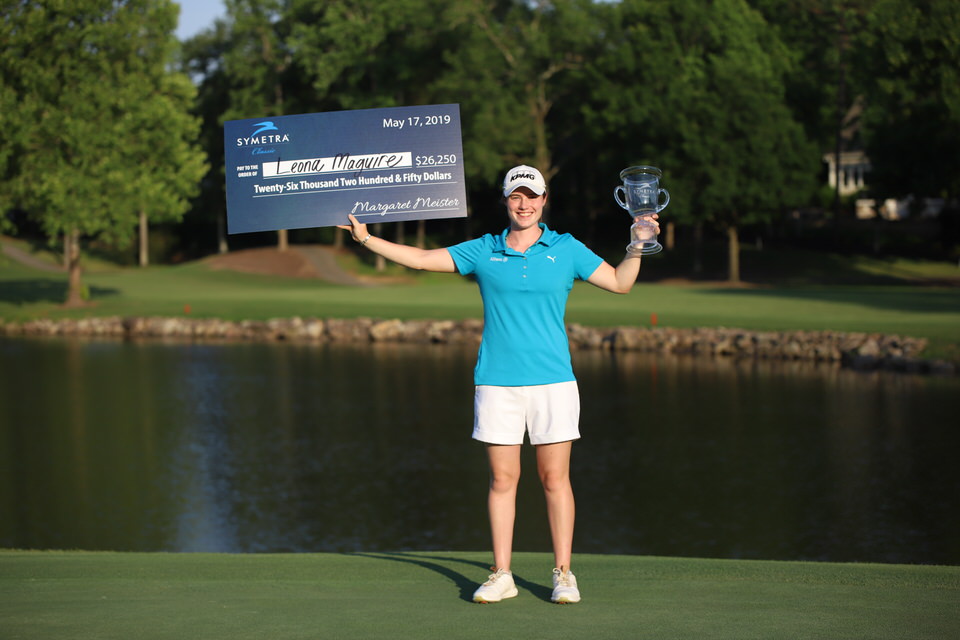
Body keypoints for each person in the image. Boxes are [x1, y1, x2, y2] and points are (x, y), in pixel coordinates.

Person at [338, 165, 657, 604]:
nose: (523, 204)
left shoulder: (566, 249)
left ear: (544, 201)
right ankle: (502, 574)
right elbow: (422, 258)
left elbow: (621, 283)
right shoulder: (483, 250)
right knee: (503, 480)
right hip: (496, 383)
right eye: (515, 196)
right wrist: (366, 239)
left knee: (554, 479)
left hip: (553, 382)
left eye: (531, 196)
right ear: (506, 201)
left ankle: (564, 574)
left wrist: (638, 244)